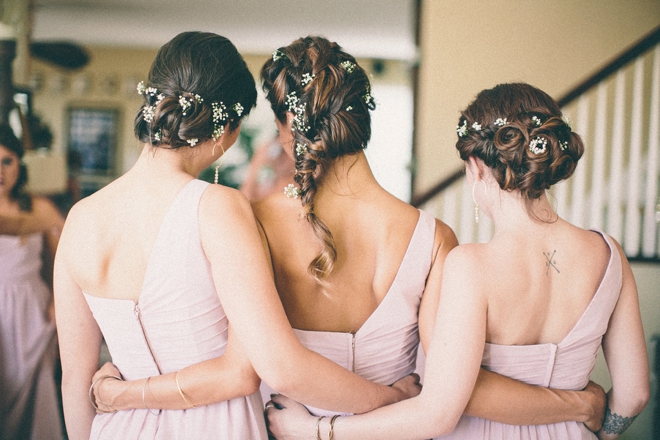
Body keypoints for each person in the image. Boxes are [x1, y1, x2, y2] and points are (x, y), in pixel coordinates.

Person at [91, 39, 604, 434]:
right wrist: (575, 403)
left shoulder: (244, 221)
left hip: (278, 428)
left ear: (287, 126)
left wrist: (127, 394)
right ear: (363, 120)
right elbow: (453, 388)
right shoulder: (432, 237)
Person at [54, 32, 422, 440]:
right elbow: (257, 370)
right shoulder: (216, 206)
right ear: (228, 128)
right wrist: (387, 399)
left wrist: (120, 400)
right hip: (213, 427)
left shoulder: (78, 219)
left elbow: (76, 381)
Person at [266, 82, 650, 439]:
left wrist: (316, 430)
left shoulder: (471, 266)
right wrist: (599, 430)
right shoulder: (610, 255)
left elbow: (436, 413)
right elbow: (633, 394)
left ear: (477, 167)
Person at [0, 124, 65, 440]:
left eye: (7, 161)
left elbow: (67, 258)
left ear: (19, 165)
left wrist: (57, 300)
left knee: (34, 385)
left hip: (30, 309)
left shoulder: (40, 208)